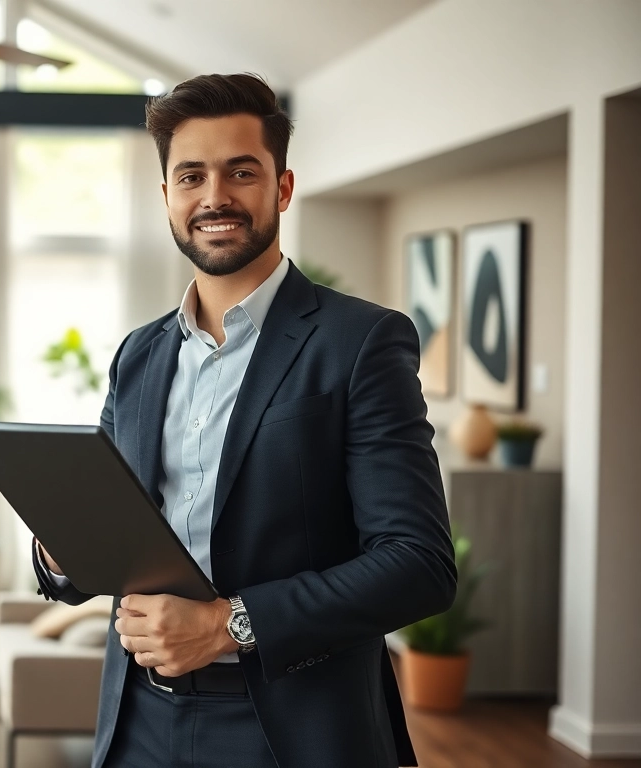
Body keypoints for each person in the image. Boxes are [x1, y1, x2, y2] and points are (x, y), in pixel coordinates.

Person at [33, 73, 457, 768]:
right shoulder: (138, 355)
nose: (214, 197)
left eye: (241, 172)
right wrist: (59, 549)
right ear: (166, 195)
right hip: (137, 721)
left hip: (292, 729)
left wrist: (226, 625)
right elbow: (101, 545)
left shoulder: (360, 342)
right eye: (191, 176)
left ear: (281, 188)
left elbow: (418, 564)